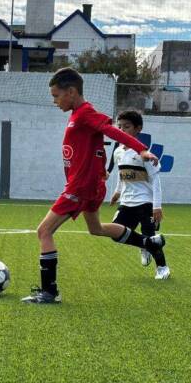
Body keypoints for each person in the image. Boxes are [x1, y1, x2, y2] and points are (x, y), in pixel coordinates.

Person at [22, 68, 166, 304]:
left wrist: (140, 149)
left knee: (44, 231)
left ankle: (49, 292)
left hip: (80, 187)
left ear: (71, 91)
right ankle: (148, 243)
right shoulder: (77, 115)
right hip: (90, 185)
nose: (54, 101)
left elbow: (110, 130)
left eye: (57, 95)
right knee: (96, 228)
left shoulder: (84, 113)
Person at [109, 110, 170, 280]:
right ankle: (144, 244)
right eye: (119, 126)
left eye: (126, 127)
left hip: (146, 202)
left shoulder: (144, 154)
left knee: (150, 234)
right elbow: (122, 175)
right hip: (126, 202)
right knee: (115, 233)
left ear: (138, 129)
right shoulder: (118, 152)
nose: (121, 130)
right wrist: (117, 192)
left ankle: (162, 268)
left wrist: (157, 206)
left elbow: (156, 180)